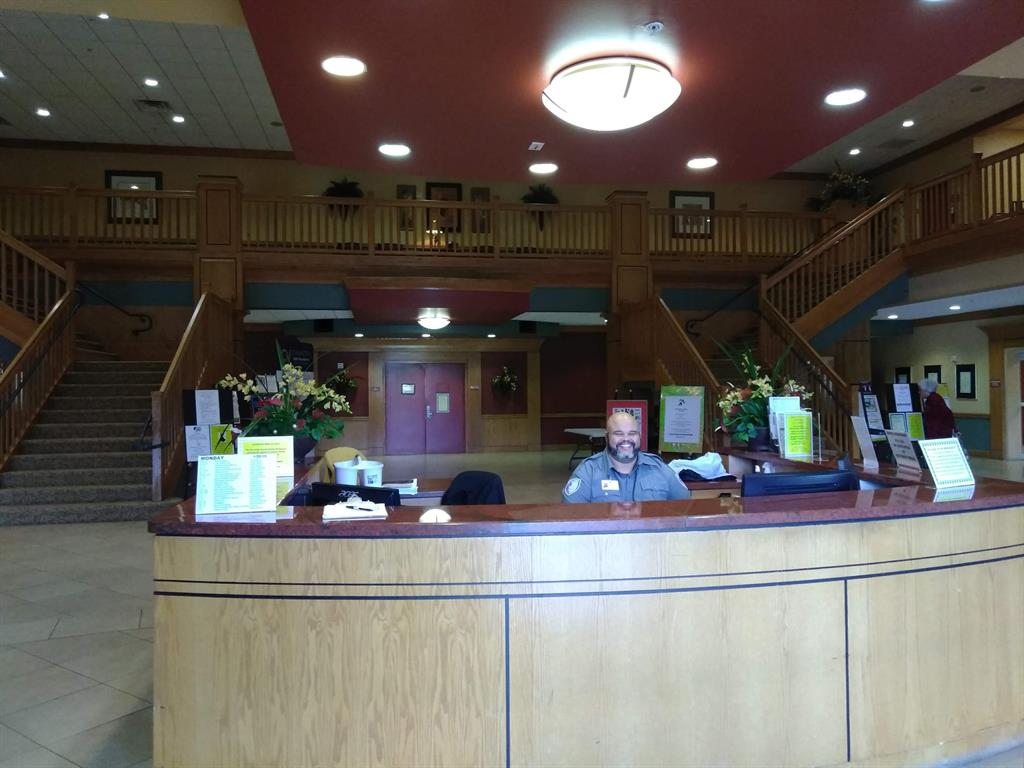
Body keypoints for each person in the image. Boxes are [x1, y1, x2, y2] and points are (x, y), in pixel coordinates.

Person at [562, 412, 690, 503]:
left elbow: (685, 509)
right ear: (606, 437)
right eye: (618, 434)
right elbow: (571, 517)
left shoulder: (660, 469)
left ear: (639, 436)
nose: (626, 439)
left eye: (632, 433)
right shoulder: (588, 472)